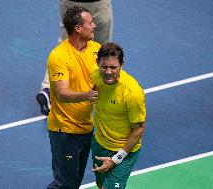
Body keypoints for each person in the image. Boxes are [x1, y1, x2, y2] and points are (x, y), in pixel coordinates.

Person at [46, 6, 101, 189]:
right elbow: (62, 94)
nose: (94, 25)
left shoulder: (96, 49)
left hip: (86, 127)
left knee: (74, 182)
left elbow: (105, 78)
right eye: (90, 23)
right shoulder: (59, 56)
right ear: (78, 28)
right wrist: (88, 95)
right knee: (64, 184)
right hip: (65, 130)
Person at [36, 0, 113, 116]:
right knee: (102, 47)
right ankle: (106, 90)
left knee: (67, 42)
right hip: (97, 4)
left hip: (68, 2)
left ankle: (48, 89)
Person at [90, 42, 146, 189]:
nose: (108, 72)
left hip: (123, 150)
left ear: (122, 64)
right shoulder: (95, 75)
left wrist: (116, 159)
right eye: (104, 67)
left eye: (113, 67)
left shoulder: (132, 94)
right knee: (101, 184)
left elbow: (138, 130)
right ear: (98, 64)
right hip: (100, 143)